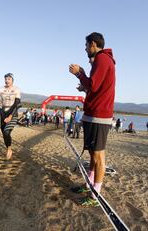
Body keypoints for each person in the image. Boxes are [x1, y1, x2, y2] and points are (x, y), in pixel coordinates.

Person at [69, 32, 116, 207]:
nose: (85, 48)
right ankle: (89, 185)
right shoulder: (100, 60)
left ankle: (95, 195)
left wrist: (79, 74)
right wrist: (85, 86)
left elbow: (94, 85)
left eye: (86, 45)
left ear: (94, 44)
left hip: (99, 115)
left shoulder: (103, 59)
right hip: (93, 113)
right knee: (91, 152)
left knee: (98, 154)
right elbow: (95, 87)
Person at [0, 73, 21, 160]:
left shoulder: (16, 89)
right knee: (4, 134)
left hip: (13, 113)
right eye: (5, 79)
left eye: (9, 79)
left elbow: (17, 104)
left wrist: (10, 115)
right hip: (3, 112)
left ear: (12, 80)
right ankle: (8, 147)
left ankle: (9, 150)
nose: (6, 80)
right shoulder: (1, 89)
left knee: (6, 132)